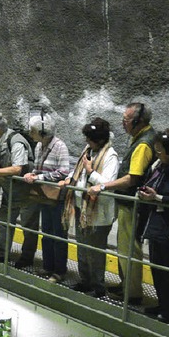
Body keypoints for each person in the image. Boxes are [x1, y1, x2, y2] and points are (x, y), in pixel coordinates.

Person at [87, 103, 155, 305]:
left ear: (138, 121)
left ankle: (132, 294)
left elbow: (132, 178)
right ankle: (126, 285)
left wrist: (102, 186)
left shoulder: (143, 144)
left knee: (129, 249)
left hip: (132, 204)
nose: (123, 123)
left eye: (126, 119)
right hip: (128, 203)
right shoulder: (141, 138)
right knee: (124, 247)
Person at [62, 118, 119, 298]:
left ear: (100, 139)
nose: (86, 142)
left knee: (95, 251)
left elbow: (108, 184)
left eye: (89, 138)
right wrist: (69, 179)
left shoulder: (111, 156)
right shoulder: (88, 150)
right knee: (82, 247)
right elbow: (77, 170)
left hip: (98, 213)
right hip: (82, 209)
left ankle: (98, 286)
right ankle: (85, 280)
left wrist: (90, 171)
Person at [138, 129, 169, 326]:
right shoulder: (161, 164)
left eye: (160, 151)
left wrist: (157, 198)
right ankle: (162, 304)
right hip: (156, 226)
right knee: (157, 268)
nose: (156, 155)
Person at [22, 113, 70, 282]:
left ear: (42, 132)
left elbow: (64, 172)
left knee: (58, 235)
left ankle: (59, 271)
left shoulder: (60, 146)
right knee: (47, 232)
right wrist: (32, 173)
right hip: (44, 196)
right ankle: (48, 267)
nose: (30, 134)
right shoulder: (39, 146)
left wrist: (40, 178)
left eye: (33, 131)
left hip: (57, 198)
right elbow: (38, 168)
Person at [0, 112, 34, 262]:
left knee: (27, 225)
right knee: (4, 221)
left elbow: (17, 168)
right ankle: (1, 254)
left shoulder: (16, 142)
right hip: (9, 189)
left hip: (25, 191)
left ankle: (27, 258)